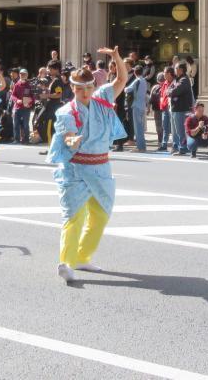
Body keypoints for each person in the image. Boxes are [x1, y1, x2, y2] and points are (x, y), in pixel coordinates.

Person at [48, 50, 127, 283]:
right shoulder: (65, 112)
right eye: (79, 88)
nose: (84, 92)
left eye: (88, 87)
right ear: (72, 88)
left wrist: (116, 57)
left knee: (101, 216)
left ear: (94, 87)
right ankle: (66, 263)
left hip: (101, 168)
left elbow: (121, 79)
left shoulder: (102, 99)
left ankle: (82, 256)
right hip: (76, 170)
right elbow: (69, 134)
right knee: (74, 217)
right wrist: (72, 140)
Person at [168, 62, 194, 156]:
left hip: (181, 108)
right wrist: (170, 91)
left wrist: (170, 92)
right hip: (176, 108)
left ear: (181, 70)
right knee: (176, 130)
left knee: (180, 130)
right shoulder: (177, 79)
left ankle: (183, 148)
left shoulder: (184, 80)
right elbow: (169, 89)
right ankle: (178, 147)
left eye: (176, 68)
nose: (174, 70)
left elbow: (175, 91)